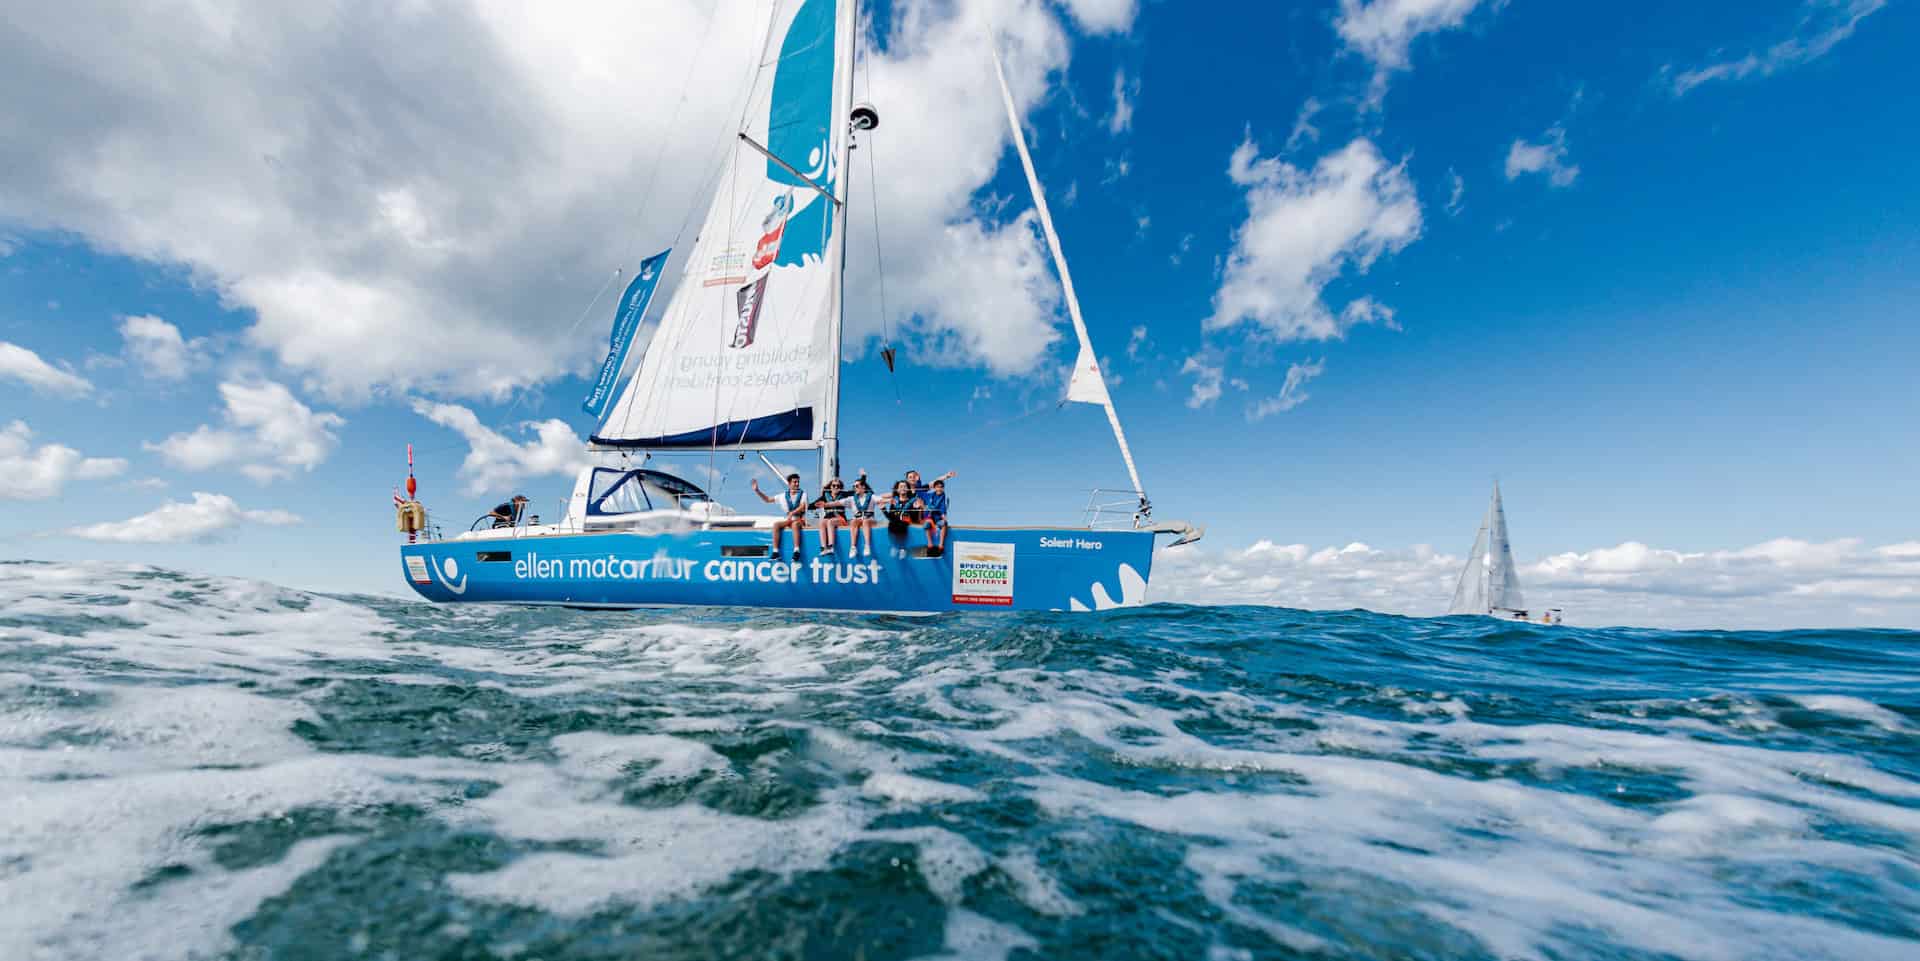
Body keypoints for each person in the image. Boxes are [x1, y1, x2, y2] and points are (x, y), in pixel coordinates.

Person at [751, 473, 809, 560]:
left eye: (798, 482)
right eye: (795, 482)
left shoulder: (803, 494)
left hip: (799, 519)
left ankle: (796, 550)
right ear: (789, 484)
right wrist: (757, 491)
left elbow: (802, 506)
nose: (797, 484)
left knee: (795, 524)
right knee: (776, 525)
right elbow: (767, 500)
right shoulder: (782, 496)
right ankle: (775, 552)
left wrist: (792, 513)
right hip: (789, 520)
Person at [880, 479, 924, 558]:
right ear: (897, 490)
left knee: (902, 522)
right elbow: (890, 517)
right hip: (895, 522)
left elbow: (914, 518)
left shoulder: (912, 500)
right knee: (892, 523)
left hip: (906, 521)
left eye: (905, 486)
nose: (903, 488)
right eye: (901, 486)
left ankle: (902, 547)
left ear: (908, 489)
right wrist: (883, 509)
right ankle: (895, 546)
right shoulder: (894, 501)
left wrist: (917, 509)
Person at [811, 477, 850, 555]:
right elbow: (811, 506)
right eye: (834, 485)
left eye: (838, 486)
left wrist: (863, 478)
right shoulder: (825, 497)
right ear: (830, 487)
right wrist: (812, 505)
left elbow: (858, 491)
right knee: (822, 522)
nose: (836, 487)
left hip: (840, 518)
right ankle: (823, 548)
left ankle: (831, 546)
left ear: (840, 488)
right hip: (828, 518)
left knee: (830, 522)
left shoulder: (844, 495)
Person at [842, 477, 879, 557]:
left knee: (865, 521)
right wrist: (826, 504)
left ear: (863, 487)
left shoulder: (871, 496)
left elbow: (881, 499)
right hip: (858, 519)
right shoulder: (852, 499)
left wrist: (889, 499)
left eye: (857, 486)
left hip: (870, 519)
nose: (855, 488)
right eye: (854, 486)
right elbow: (838, 502)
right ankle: (853, 547)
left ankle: (867, 546)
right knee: (853, 521)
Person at [920, 478, 951, 554]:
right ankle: (930, 544)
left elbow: (943, 508)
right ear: (934, 488)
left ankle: (941, 545)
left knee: (944, 523)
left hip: (937, 519)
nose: (939, 488)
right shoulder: (928, 495)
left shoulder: (943, 497)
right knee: (927, 524)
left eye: (941, 487)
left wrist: (944, 516)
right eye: (938, 487)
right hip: (929, 518)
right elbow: (919, 491)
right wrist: (918, 481)